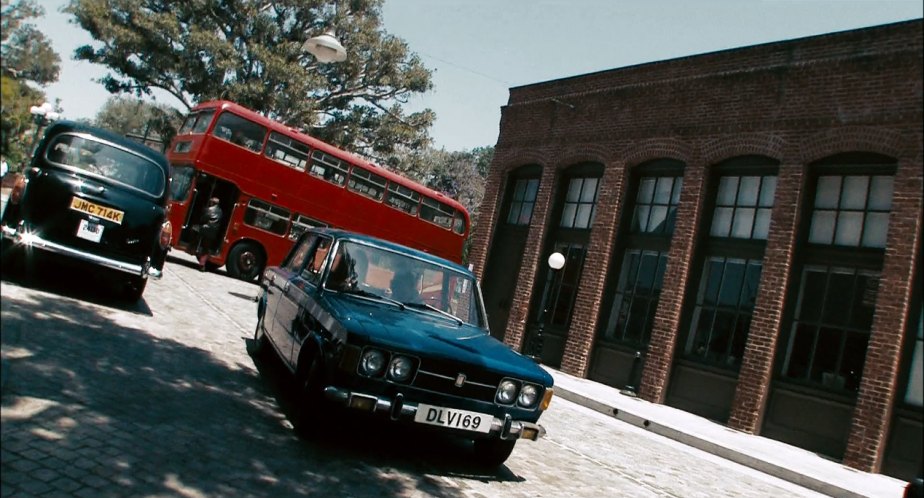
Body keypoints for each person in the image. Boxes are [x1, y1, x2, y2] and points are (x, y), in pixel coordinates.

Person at [196, 197, 223, 271]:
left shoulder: (208, 209)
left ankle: (193, 247)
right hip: (213, 233)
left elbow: (203, 219)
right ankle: (202, 264)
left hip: (205, 230)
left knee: (194, 230)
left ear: (212, 203)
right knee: (206, 249)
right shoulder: (220, 211)